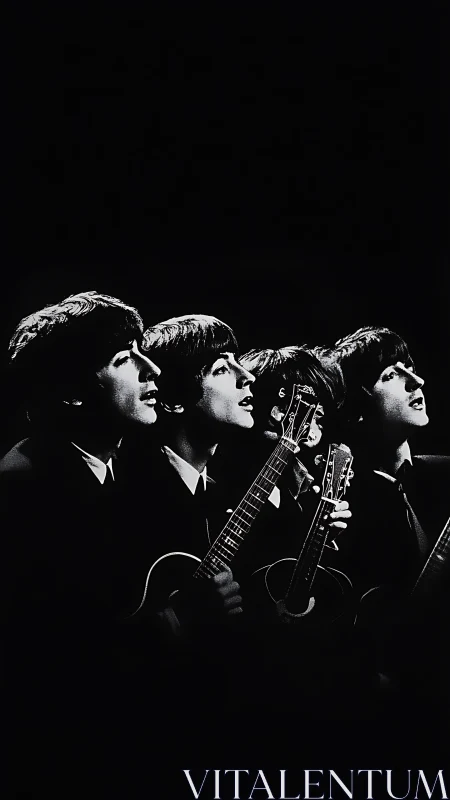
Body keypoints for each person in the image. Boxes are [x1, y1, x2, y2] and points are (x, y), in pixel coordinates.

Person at [0, 290, 162, 792]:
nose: (151, 368)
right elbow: (53, 659)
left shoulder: (124, 472)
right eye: (124, 359)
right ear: (72, 390)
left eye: (143, 349)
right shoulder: (23, 484)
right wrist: (169, 626)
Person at [318, 325, 450, 760]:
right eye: (391, 375)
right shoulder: (334, 502)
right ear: (357, 404)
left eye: (410, 368)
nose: (418, 382)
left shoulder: (444, 474)